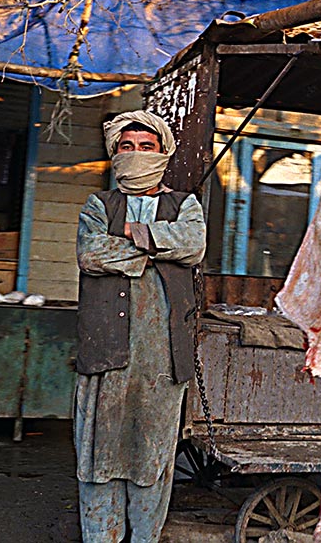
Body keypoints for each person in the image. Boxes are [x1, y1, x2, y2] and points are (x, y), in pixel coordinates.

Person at [74, 110, 206, 542]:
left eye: (146, 147)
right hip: (106, 353)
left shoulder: (185, 204)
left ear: (163, 153)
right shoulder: (99, 205)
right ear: (114, 154)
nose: (135, 155)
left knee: (152, 459)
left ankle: (144, 538)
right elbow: (91, 255)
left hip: (161, 357)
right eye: (126, 147)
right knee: (97, 457)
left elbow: (193, 246)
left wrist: (133, 235)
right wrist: (154, 247)